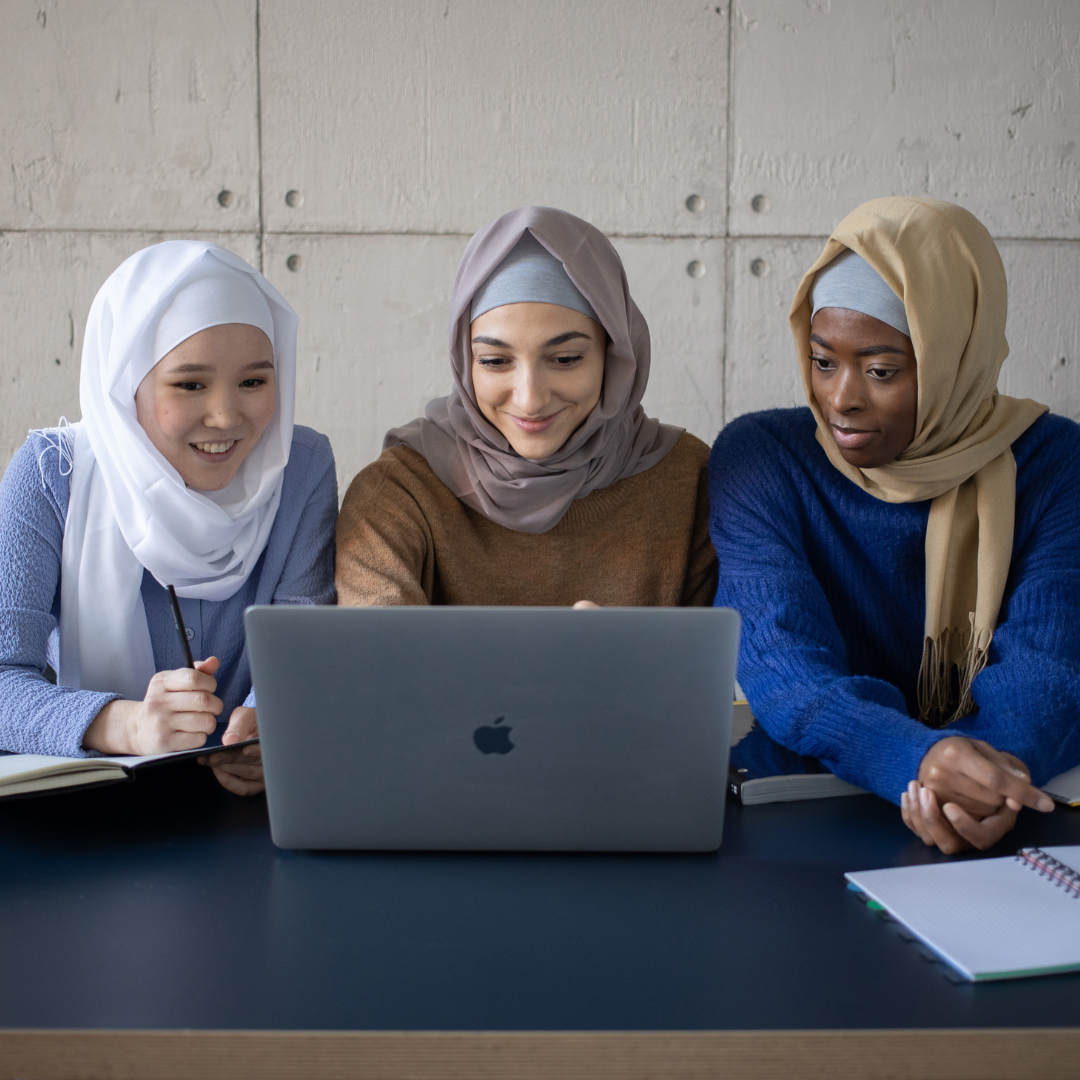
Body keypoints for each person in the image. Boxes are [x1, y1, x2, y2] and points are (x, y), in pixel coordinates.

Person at [709, 196, 1080, 854]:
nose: (841, 398)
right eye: (823, 362)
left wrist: (993, 777)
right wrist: (918, 760)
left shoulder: (1056, 462)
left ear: (952, 361)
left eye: (881, 371)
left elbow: (1050, 665)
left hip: (1005, 801)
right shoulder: (763, 456)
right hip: (803, 811)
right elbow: (783, 664)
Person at [0, 241, 337, 795]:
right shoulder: (50, 474)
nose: (227, 416)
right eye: (189, 384)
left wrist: (273, 725)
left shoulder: (299, 467)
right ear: (124, 384)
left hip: (246, 819)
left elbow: (308, 644)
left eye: (254, 381)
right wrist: (126, 723)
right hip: (86, 822)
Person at [336, 205, 716, 609]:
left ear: (615, 357)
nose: (530, 399)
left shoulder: (690, 480)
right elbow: (379, 663)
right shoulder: (401, 491)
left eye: (566, 359)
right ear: (465, 362)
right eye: (495, 362)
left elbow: (723, 662)